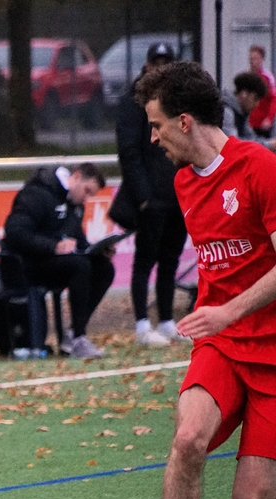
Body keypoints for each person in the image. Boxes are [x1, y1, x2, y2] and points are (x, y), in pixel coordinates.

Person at [135, 61, 276, 499]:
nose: (152, 137)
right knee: (188, 438)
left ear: (185, 121)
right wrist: (217, 320)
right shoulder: (183, 181)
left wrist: (229, 310)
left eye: (156, 124)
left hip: (271, 351)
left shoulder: (260, 167)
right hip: (220, 345)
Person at [115, 42, 188, 347]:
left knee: (170, 259)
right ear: (147, 65)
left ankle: (167, 320)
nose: (161, 68)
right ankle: (142, 324)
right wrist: (143, 195)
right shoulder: (134, 101)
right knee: (145, 261)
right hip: (152, 197)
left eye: (166, 62)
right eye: (156, 62)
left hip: (177, 194)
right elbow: (129, 151)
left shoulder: (176, 100)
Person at [2, 163, 114, 359]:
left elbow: (78, 242)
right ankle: (78, 337)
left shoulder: (75, 206)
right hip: (27, 264)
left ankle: (74, 333)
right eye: (87, 191)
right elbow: (14, 232)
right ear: (76, 177)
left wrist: (99, 250)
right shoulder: (37, 194)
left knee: (104, 268)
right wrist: (53, 246)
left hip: (55, 263)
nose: (86, 198)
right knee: (80, 266)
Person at [222, 72, 276, 150]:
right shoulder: (226, 111)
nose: (257, 104)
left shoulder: (241, 113)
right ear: (244, 94)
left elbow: (251, 138)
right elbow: (233, 144)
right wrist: (269, 144)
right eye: (255, 99)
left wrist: (269, 144)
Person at [247, 45, 276, 137]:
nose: (252, 61)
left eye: (255, 58)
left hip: (262, 123)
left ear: (261, 60)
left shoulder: (267, 77)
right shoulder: (247, 77)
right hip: (249, 123)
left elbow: (274, 99)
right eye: (251, 58)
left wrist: (269, 118)